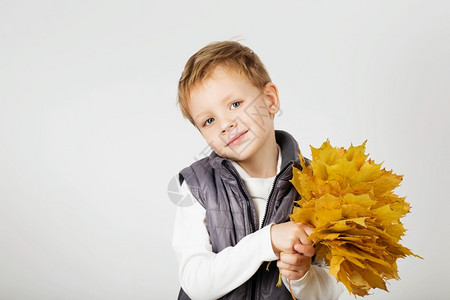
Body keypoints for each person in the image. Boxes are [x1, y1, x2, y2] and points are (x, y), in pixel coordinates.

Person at [172, 41, 344, 299]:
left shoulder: (317, 186)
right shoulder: (197, 187)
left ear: (270, 100)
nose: (225, 124)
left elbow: (331, 290)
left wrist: (302, 276)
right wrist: (268, 241)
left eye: (235, 104)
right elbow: (196, 282)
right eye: (209, 120)